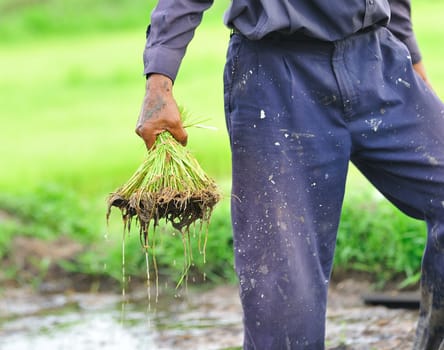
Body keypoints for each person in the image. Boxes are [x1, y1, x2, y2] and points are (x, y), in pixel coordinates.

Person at [136, 0, 444, 349]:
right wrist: (159, 81)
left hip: (378, 59)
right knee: (283, 294)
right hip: (277, 77)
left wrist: (413, 60)